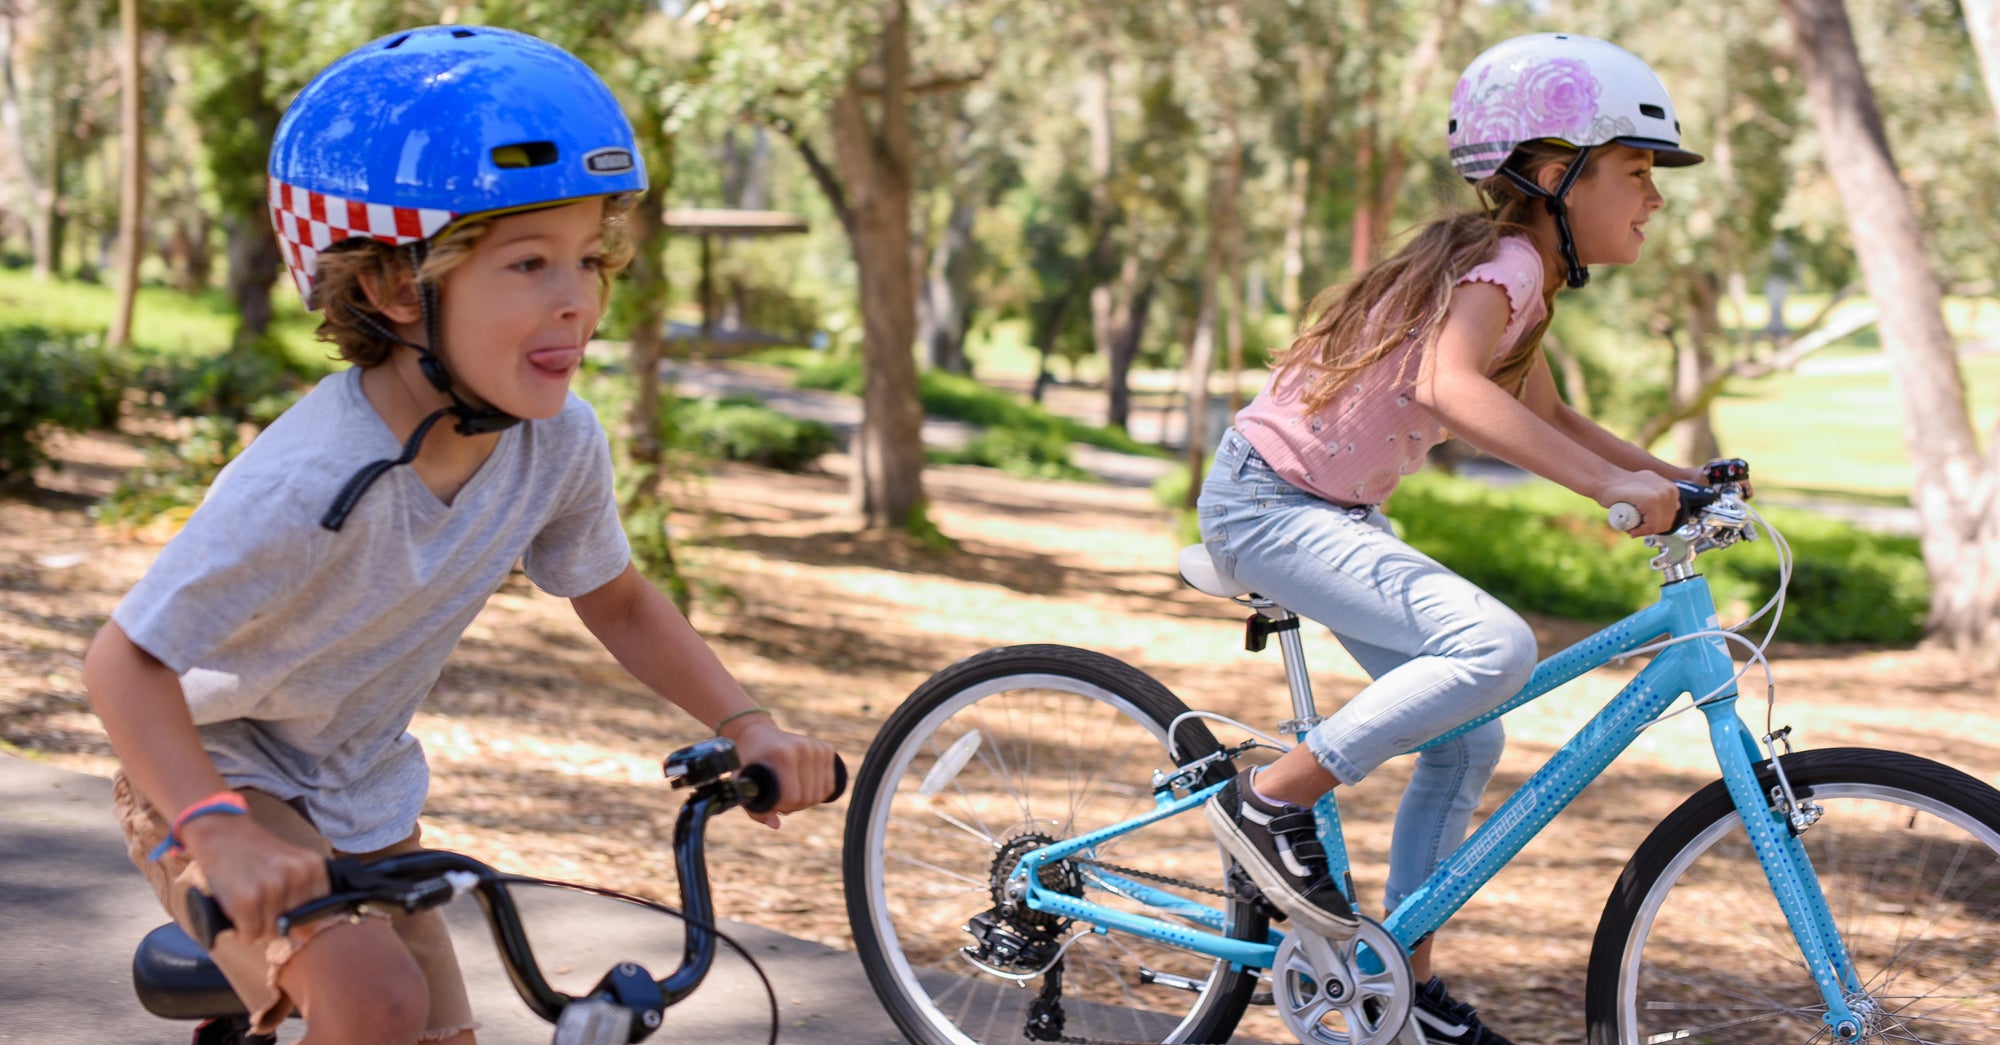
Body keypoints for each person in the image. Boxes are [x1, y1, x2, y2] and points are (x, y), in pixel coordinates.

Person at [82, 26, 838, 1045]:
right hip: (216, 769)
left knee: (434, 1031)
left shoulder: (554, 441)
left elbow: (611, 594)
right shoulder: (312, 476)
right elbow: (122, 663)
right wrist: (213, 831)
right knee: (374, 1001)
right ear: (398, 288)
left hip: (361, 790)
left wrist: (746, 721)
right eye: (527, 263)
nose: (577, 298)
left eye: (588, 259)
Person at [1198, 33, 1706, 1045]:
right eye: (1637, 172)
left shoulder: (1519, 272)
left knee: (1467, 731)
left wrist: (1672, 480)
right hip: (1268, 505)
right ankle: (1267, 799)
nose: (1654, 199)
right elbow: (1447, 388)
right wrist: (1613, 487)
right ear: (1555, 174)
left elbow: (1550, 420)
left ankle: (1401, 984)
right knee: (1493, 647)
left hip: (1323, 512)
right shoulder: (1507, 262)